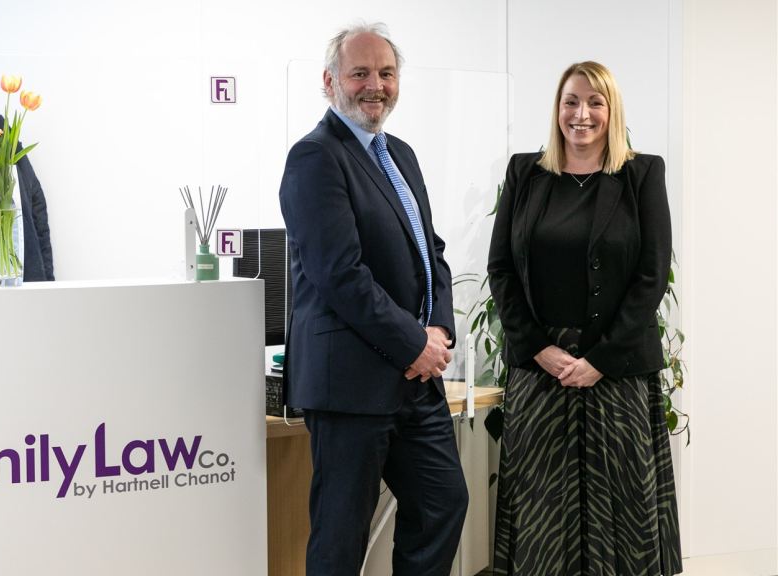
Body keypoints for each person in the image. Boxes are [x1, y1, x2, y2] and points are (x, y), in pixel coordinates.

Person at [279, 22, 468, 576]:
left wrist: (439, 330)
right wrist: (414, 342)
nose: (375, 85)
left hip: (414, 379)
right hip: (351, 386)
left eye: (386, 73)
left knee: (443, 503)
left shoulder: (400, 154)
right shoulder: (315, 157)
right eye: (360, 72)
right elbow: (342, 276)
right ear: (330, 81)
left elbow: (430, 250)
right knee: (341, 539)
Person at [488, 61, 682, 576]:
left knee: (623, 507)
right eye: (571, 101)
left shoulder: (642, 173)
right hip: (540, 371)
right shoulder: (525, 173)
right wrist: (537, 348)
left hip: (615, 372)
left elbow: (651, 275)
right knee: (540, 508)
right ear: (557, 108)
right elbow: (501, 269)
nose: (582, 114)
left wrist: (600, 358)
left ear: (611, 111)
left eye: (595, 102)